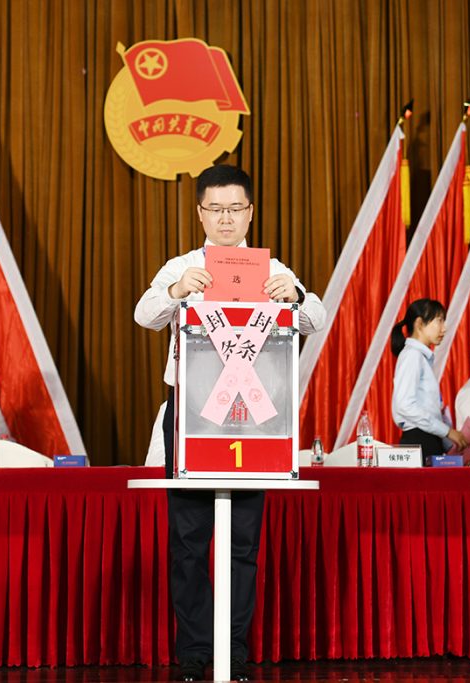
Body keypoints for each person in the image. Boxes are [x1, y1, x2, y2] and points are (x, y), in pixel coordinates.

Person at [134, 165, 326, 681]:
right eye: (215, 209)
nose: (225, 218)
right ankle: (196, 652)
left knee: (243, 542)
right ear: (200, 212)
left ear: (250, 212)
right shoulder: (181, 265)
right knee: (189, 541)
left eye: (235, 208)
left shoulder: (272, 268)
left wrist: (295, 296)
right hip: (192, 413)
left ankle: (233, 650)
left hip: (253, 415)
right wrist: (176, 290)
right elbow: (144, 314)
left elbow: (317, 318)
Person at [390, 299, 469, 457]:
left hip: (427, 437)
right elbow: (404, 405)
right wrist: (447, 431)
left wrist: (446, 438)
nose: (444, 328)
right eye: (439, 321)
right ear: (419, 324)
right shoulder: (412, 355)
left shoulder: (419, 357)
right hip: (420, 439)